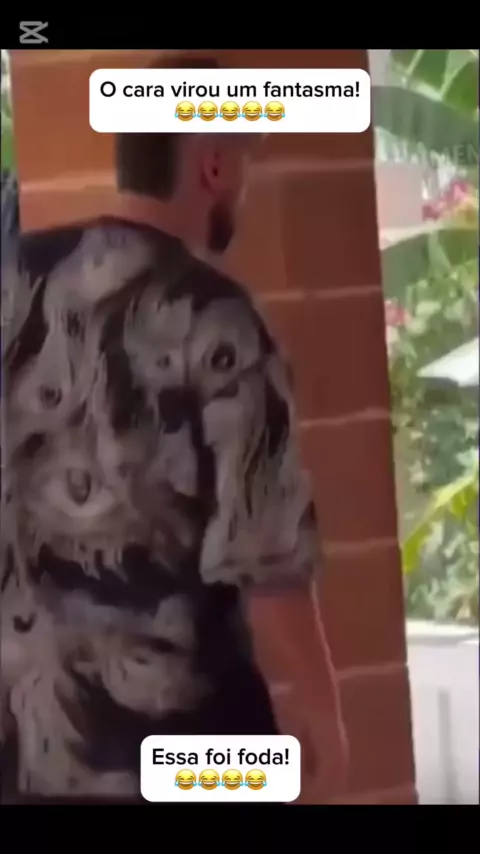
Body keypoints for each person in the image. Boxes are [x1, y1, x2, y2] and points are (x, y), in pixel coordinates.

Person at [0, 59, 347, 803]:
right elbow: (266, 555)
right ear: (213, 163)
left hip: (27, 756)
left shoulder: (13, 284)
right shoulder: (215, 318)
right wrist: (322, 716)